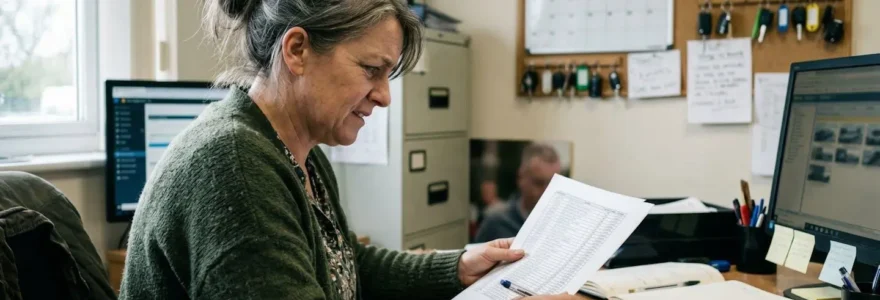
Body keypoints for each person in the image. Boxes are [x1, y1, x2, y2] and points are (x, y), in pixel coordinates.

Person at [118, 0, 578, 299]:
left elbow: (346, 267)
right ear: (296, 50)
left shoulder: (301, 154)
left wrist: (456, 267)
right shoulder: (234, 168)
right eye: (371, 69)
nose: (384, 95)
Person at [474, 143, 562, 243]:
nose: (548, 192)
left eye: (554, 184)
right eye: (539, 183)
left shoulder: (564, 225)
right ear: (521, 178)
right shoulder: (496, 223)